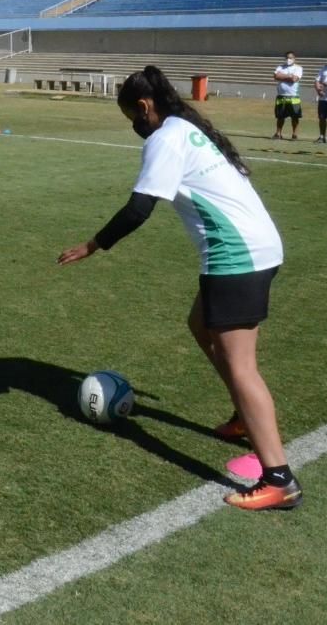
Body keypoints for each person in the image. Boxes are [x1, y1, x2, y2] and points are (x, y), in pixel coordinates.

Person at [57, 65, 300, 512]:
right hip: (256, 248)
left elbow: (138, 209)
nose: (134, 126)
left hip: (238, 257)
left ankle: (279, 479)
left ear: (145, 108)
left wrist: (92, 245)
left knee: (241, 365)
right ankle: (244, 417)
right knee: (200, 324)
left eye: (132, 117)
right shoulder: (185, 128)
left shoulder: (166, 138)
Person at [271, 52, 303, 140]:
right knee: (280, 116)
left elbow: (294, 79)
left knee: (295, 116)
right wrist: (289, 76)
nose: (289, 59)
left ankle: (294, 134)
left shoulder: (298, 68)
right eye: (287, 58)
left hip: (293, 96)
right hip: (281, 95)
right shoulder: (280, 67)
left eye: (291, 58)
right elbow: (276, 76)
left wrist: (283, 76)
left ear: (294, 58)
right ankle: (278, 133)